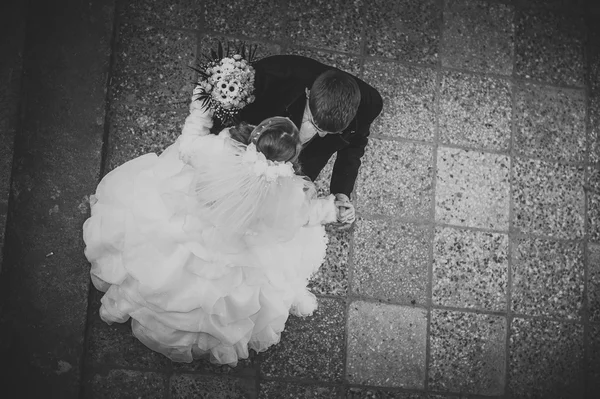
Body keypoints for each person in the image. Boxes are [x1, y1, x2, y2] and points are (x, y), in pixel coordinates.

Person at [82, 87, 342, 366]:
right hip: (230, 250)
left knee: (151, 268)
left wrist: (201, 107)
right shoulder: (284, 191)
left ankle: (116, 308)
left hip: (185, 224)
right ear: (288, 162)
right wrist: (331, 210)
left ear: (255, 136)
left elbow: (188, 143)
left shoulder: (218, 150)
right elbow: (299, 217)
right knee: (217, 296)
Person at [238, 55, 384, 229]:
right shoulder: (277, 74)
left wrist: (341, 194)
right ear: (308, 93)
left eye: (329, 132)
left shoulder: (370, 104)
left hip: (309, 160)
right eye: (315, 124)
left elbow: (355, 146)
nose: (321, 135)